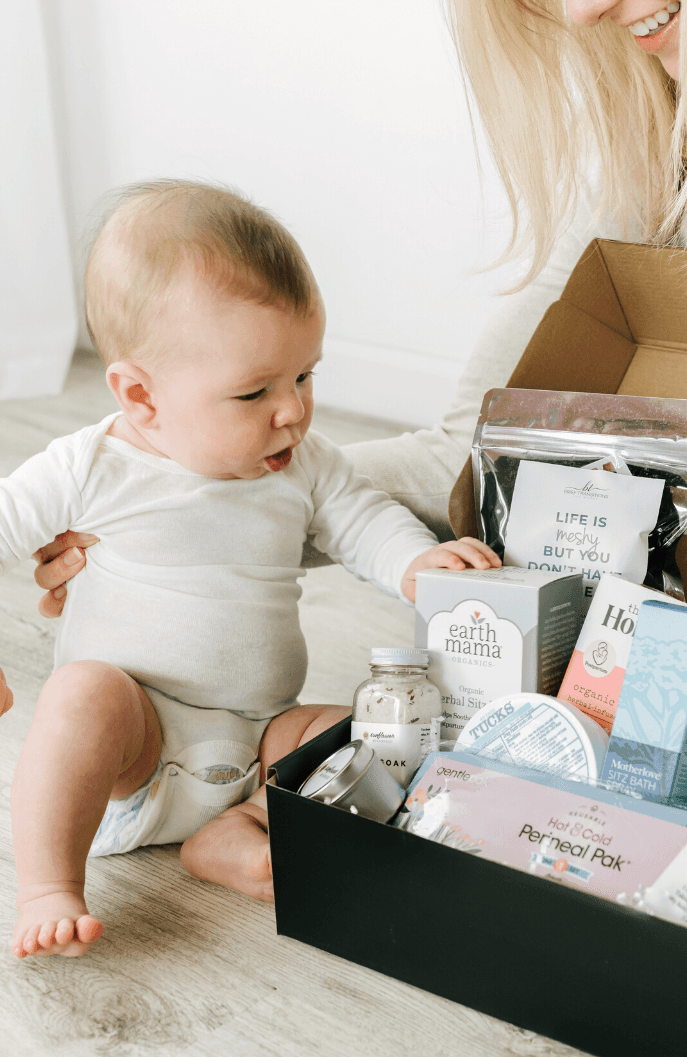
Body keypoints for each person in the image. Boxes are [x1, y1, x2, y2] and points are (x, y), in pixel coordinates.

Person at [28, 0, 687, 1057]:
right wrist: (188, 508)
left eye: (299, 382)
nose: (580, 11)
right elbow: (465, 450)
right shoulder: (651, 127)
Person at [6, 180, 500, 961]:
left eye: (304, 376)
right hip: (138, 748)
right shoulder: (92, 468)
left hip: (262, 734)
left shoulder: (300, 463)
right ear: (141, 396)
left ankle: (235, 834)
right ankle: (47, 885)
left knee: (370, 726)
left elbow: (361, 517)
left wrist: (417, 562)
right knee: (80, 694)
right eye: (254, 391)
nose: (293, 412)